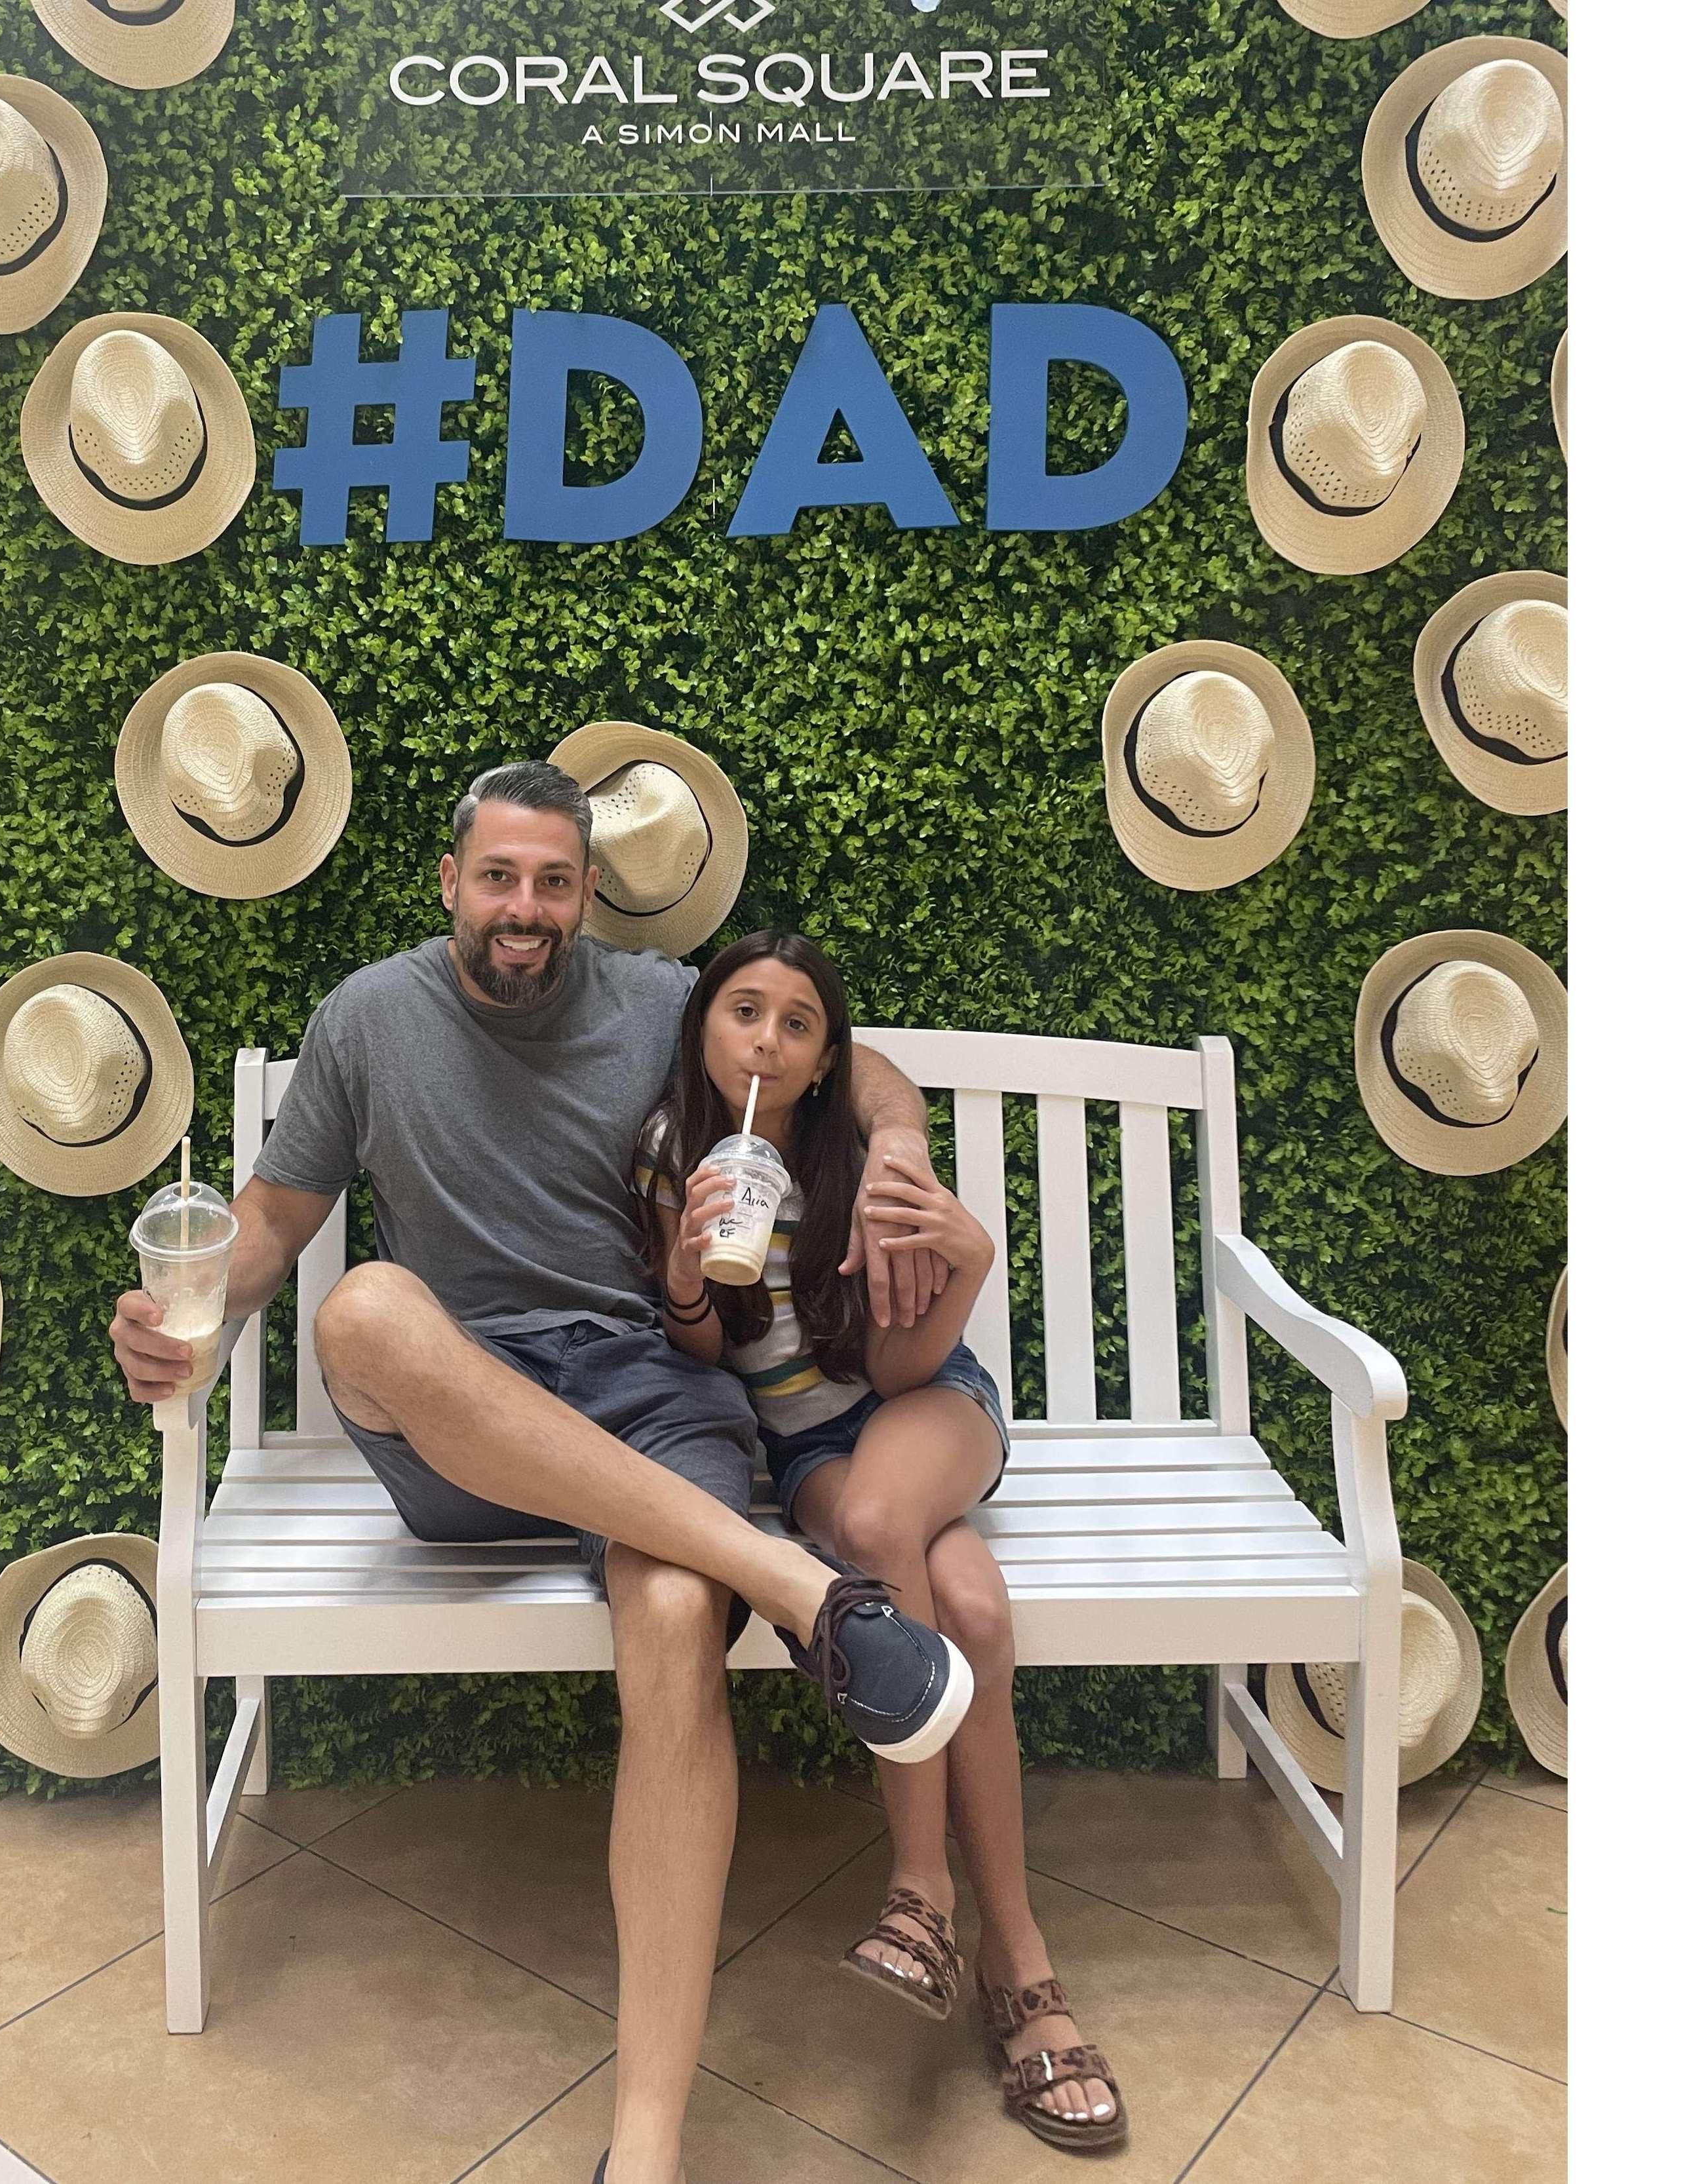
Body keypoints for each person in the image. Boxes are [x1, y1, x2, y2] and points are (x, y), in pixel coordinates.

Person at [109, 763, 975, 2184]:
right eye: (500, 876)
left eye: (555, 882)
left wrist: (896, 1138)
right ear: (450, 880)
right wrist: (182, 1320)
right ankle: (804, 1590)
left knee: (675, 1609)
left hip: (650, 1387)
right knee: (364, 1307)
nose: (526, 907)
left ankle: (645, 2146)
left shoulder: (657, 1002)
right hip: (465, 1410)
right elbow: (270, 1216)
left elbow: (845, 1058)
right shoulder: (367, 1017)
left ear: (585, 895)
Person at [634, 930, 1127, 2153]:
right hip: (804, 1446)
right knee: (974, 1610)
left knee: (872, 1522)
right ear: (703, 1028)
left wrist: (967, 1265)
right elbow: (705, 1351)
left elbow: (901, 1367)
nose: (766, 1039)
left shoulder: (862, 1170)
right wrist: (688, 1273)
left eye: (797, 1023)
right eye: (744, 1011)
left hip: (923, 1408)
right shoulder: (669, 1151)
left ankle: (920, 1893)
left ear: (824, 1060)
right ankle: (1021, 1966)